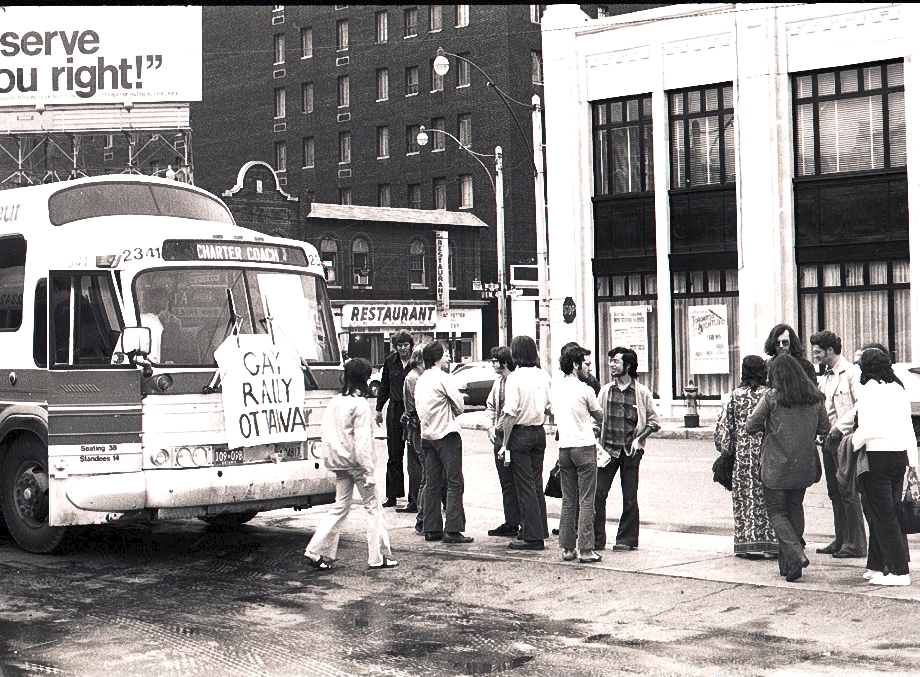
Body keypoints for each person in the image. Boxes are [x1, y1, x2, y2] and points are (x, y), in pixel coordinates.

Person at [303, 358, 397, 571]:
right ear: (363, 377)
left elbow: (326, 433)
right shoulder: (360, 404)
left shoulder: (336, 401)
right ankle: (378, 556)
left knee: (340, 506)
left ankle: (316, 550)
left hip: (339, 463)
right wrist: (369, 470)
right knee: (374, 508)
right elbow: (362, 442)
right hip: (357, 465)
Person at [745, 353, 830, 583]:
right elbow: (824, 428)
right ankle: (788, 565)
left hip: (776, 465)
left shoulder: (771, 397)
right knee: (795, 508)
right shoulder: (815, 397)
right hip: (804, 465)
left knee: (776, 512)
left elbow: (751, 426)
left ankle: (796, 554)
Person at [852, 348, 915, 586]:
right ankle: (876, 567)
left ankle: (899, 571)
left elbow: (866, 428)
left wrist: (853, 443)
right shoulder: (898, 389)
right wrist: (913, 463)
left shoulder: (868, 390)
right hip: (899, 456)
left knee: (881, 515)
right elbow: (908, 428)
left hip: (877, 457)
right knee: (888, 513)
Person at [595, 347, 660, 551]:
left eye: (616, 361)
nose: (611, 365)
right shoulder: (606, 391)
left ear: (628, 365)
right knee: (598, 493)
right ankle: (597, 539)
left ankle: (627, 539)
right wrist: (595, 436)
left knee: (629, 496)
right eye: (611, 361)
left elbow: (654, 421)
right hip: (608, 451)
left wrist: (639, 438)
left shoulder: (641, 393)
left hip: (631, 452)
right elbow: (596, 419)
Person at [714, 355, 778, 559]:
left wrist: (726, 450)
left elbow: (725, 428)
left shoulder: (736, 395)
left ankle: (747, 544)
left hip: (742, 457)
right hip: (766, 454)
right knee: (768, 500)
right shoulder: (769, 394)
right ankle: (770, 544)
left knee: (744, 499)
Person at [810, 330, 866, 559]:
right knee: (834, 492)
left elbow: (860, 405)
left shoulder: (852, 372)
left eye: (818, 352)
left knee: (848, 493)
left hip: (844, 440)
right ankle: (841, 538)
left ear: (830, 350)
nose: (815, 356)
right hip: (828, 441)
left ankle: (855, 543)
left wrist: (837, 429)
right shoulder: (828, 376)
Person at [497, 335, 552, 551]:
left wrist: (504, 443)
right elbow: (549, 406)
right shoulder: (543, 375)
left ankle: (532, 536)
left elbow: (510, 413)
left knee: (524, 485)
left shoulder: (515, 378)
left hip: (520, 433)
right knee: (536, 483)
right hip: (538, 432)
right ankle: (539, 528)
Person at [415, 340, 473, 544]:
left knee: (432, 482)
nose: (447, 357)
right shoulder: (443, 378)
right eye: (445, 354)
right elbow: (459, 404)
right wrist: (450, 410)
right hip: (447, 434)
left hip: (427, 435)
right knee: (454, 481)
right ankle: (453, 529)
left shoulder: (421, 380)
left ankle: (431, 528)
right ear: (438, 358)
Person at [551, 344, 604, 563]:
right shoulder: (586, 390)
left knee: (568, 499)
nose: (588, 368)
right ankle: (585, 549)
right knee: (586, 499)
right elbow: (598, 415)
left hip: (564, 448)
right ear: (575, 364)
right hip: (584, 446)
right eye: (586, 364)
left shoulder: (555, 388)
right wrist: (597, 417)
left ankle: (567, 548)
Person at [375, 330, 415, 509]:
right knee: (394, 454)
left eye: (406, 345)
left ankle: (415, 497)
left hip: (413, 409)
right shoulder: (390, 361)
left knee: (415, 455)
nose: (403, 348)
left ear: (410, 345)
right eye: (399, 345)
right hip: (394, 409)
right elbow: (384, 386)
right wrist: (378, 409)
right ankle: (392, 495)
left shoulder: (417, 361)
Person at [484, 345, 520, 538]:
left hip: (514, 435)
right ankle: (511, 521)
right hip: (499, 436)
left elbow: (511, 412)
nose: (493, 364)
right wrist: (490, 426)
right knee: (506, 481)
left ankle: (523, 521)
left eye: (495, 360)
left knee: (519, 481)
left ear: (504, 362)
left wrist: (498, 426)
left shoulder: (515, 380)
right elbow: (490, 406)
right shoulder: (498, 383)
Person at [402, 344, 428, 535]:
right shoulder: (413, 378)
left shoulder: (419, 377)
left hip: (418, 427)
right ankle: (422, 516)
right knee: (425, 474)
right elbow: (416, 405)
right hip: (417, 427)